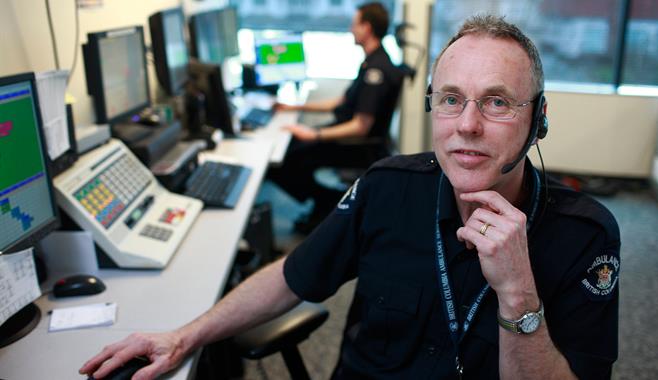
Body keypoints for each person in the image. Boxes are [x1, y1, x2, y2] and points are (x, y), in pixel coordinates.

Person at [80, 15, 620, 380]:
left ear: (539, 119)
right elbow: (293, 276)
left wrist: (519, 297)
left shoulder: (585, 235)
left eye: (497, 103)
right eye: (451, 100)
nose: (468, 126)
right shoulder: (386, 187)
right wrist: (183, 336)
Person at [268, 2, 404, 233]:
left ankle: (329, 202)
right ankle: (325, 204)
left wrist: (315, 134)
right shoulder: (371, 61)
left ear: (367, 28)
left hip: (359, 145)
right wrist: (293, 107)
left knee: (283, 161)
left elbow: (360, 127)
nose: (351, 30)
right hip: (349, 137)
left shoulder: (377, 71)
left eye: (354, 25)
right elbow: (339, 103)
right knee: (290, 148)